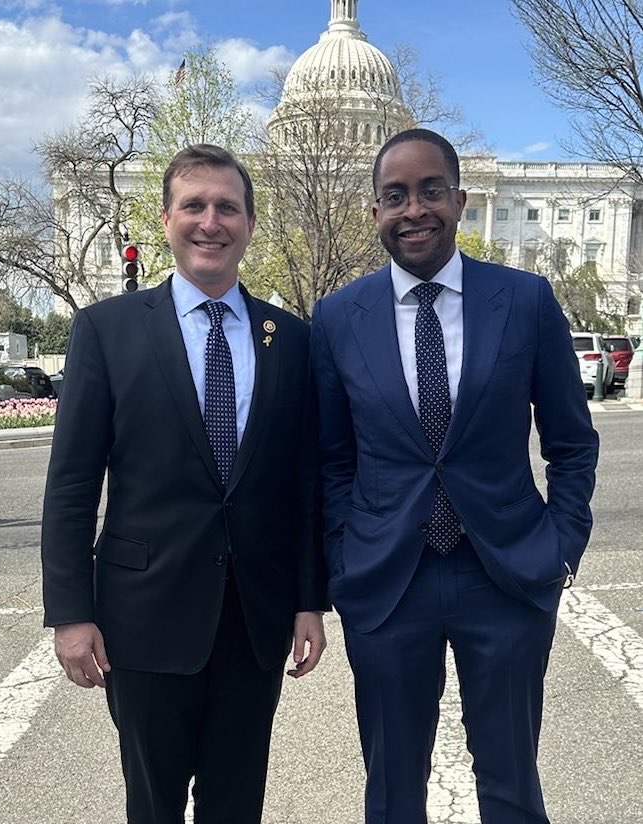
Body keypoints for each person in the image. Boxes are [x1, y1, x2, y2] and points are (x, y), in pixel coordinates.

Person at [310, 128, 599, 824]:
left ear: (459, 200)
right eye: (395, 196)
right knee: (391, 788)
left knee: (509, 782)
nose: (414, 210)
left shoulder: (524, 301)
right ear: (372, 211)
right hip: (386, 582)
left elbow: (570, 441)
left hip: (502, 574)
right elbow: (329, 458)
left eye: (430, 191)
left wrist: (560, 545)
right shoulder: (337, 317)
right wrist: (343, 555)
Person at [42, 144, 328, 824]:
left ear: (249, 225)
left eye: (227, 207)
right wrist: (70, 613)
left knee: (236, 805)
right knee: (154, 802)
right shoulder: (107, 331)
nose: (211, 222)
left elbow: (304, 486)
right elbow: (73, 483)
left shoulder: (289, 339)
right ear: (166, 220)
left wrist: (309, 600)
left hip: (253, 620)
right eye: (193, 206)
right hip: (142, 618)